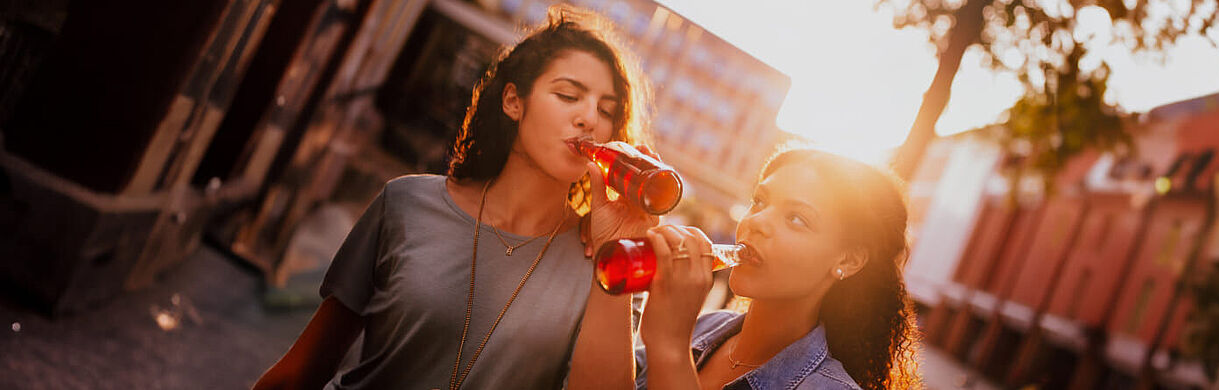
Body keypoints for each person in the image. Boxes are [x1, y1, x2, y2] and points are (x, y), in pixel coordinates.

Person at [254, 6, 652, 390]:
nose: (589, 119)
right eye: (568, 95)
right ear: (514, 102)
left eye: (606, 110)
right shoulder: (405, 204)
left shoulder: (608, 266)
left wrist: (615, 249)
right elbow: (299, 373)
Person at [630, 149, 922, 390]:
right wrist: (613, 238)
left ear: (848, 260)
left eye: (797, 219)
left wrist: (671, 351)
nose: (756, 222)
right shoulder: (706, 327)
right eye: (759, 201)